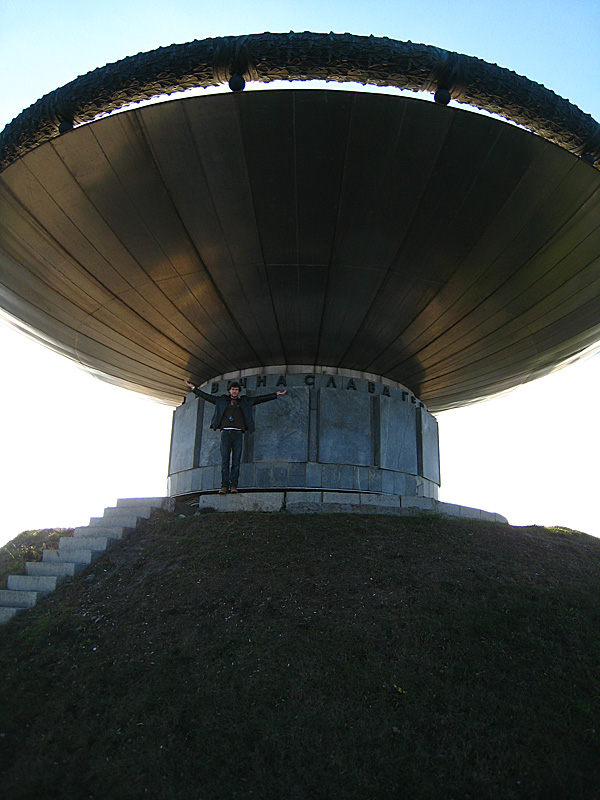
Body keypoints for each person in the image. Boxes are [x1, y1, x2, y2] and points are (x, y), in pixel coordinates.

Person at [184, 378, 287, 494]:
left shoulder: (244, 401)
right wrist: (193, 388)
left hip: (238, 434)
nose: (234, 391)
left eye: (236, 390)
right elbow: (206, 396)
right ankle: (224, 486)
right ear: (229, 390)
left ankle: (233, 486)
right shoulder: (222, 400)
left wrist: (275, 394)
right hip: (225, 434)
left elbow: (259, 399)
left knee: (236, 462)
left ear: (238, 391)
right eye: (232, 389)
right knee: (225, 462)